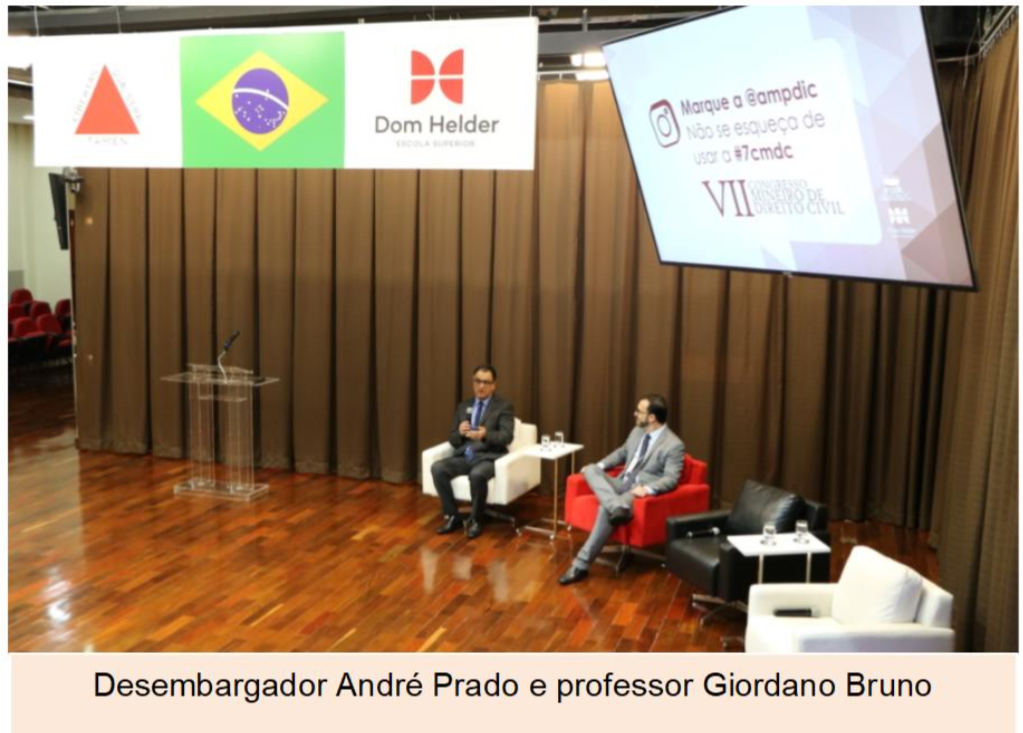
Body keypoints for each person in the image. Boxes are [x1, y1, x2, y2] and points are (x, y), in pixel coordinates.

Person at [558, 394, 685, 585]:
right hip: (620, 482)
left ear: (652, 417)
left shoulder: (674, 445)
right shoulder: (637, 432)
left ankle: (580, 565)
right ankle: (617, 506)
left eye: (639, 411)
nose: (635, 414)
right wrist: (600, 466)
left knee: (604, 509)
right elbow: (622, 453)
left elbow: (671, 478)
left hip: (636, 492)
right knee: (591, 469)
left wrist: (649, 488)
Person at [431, 365, 515, 540]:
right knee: (438, 469)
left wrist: (485, 434)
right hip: (466, 455)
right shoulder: (464, 406)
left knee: (477, 475)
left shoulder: (504, 406)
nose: (481, 386)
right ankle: (453, 516)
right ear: (472, 383)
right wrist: (460, 433)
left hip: (489, 457)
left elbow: (506, 437)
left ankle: (476, 520)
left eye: (486, 382)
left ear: (493, 385)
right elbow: (453, 439)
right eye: (477, 381)